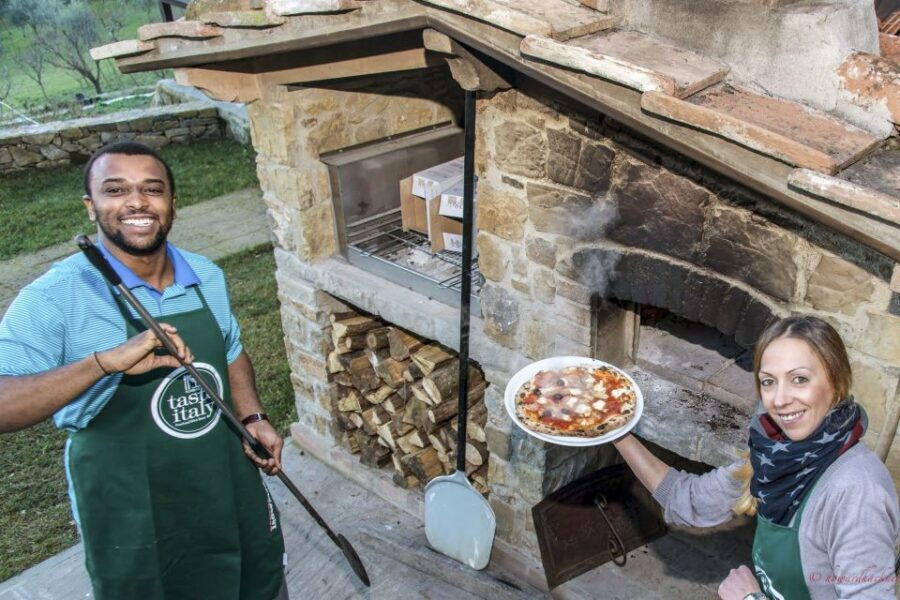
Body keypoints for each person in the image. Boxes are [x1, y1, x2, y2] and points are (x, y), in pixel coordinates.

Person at [0, 141, 289, 600]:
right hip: (131, 502)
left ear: (173, 203)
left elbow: (231, 349)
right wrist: (102, 364)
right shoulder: (54, 296)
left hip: (223, 475)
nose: (136, 202)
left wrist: (253, 416)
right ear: (90, 207)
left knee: (256, 579)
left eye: (152, 189)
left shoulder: (205, 275)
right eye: (115, 189)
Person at [613, 315, 899, 599]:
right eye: (768, 381)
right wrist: (615, 430)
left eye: (799, 379)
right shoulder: (773, 457)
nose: (780, 399)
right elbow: (686, 498)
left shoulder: (857, 491)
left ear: (836, 383)